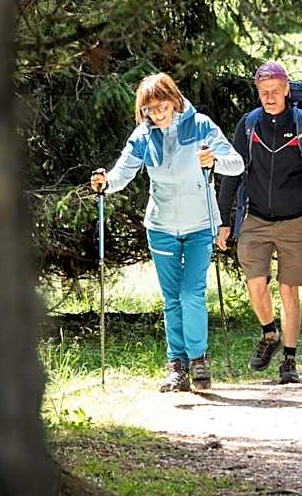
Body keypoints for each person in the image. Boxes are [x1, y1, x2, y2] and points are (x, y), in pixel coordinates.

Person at [91, 73, 244, 392]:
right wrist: (106, 183)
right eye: (149, 110)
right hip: (160, 227)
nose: (157, 114)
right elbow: (123, 173)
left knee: (191, 294)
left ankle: (199, 359)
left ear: (174, 100)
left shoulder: (200, 125)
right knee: (172, 299)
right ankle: (177, 366)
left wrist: (213, 160)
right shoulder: (143, 136)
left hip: (201, 224)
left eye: (162, 106)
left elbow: (237, 164)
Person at [217, 61, 302, 384]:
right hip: (257, 219)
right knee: (255, 281)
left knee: (288, 289)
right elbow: (233, 173)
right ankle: (269, 333)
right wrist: (225, 221)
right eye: (263, 92)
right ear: (258, 93)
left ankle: (290, 360)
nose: (269, 97)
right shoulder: (249, 126)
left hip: (296, 220)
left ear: (286, 90)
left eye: (275, 92)